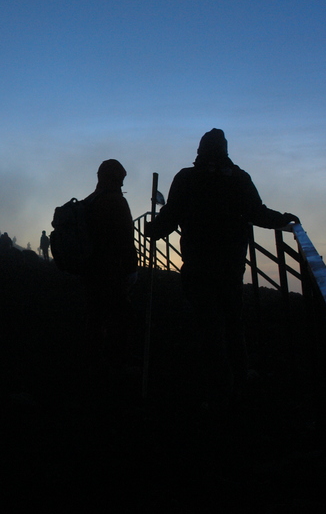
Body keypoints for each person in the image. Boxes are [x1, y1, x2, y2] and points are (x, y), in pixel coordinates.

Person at [146, 128, 299, 405]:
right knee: (232, 320)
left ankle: (217, 384)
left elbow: (169, 217)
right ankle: (238, 379)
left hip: (196, 264)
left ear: (200, 150)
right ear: (225, 150)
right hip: (230, 265)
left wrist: (152, 229)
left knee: (207, 322)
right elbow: (257, 212)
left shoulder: (186, 178)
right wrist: (284, 219)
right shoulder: (239, 178)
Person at [82, 159, 139, 363]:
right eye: (121, 179)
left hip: (90, 270)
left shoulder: (90, 201)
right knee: (122, 318)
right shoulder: (116, 201)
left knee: (95, 317)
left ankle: (93, 360)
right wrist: (132, 269)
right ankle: (115, 364)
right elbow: (125, 238)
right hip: (113, 271)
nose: (122, 184)